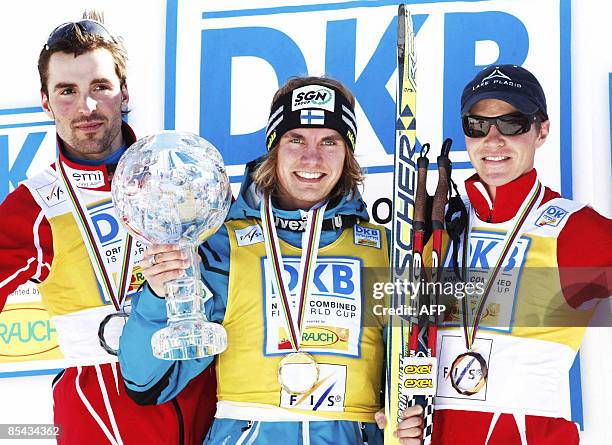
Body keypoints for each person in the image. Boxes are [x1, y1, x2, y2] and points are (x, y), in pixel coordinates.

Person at [120, 76, 427, 444]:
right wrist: (156, 296)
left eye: (329, 141)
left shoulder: (385, 248)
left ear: (347, 153)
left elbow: (414, 368)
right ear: (273, 148)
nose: (311, 157)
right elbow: (147, 382)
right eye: (295, 139)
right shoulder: (223, 247)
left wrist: (410, 415)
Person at [0, 12, 216, 445]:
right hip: (100, 412)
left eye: (100, 87)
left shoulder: (183, 173)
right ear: (45, 101)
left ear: (124, 92)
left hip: (201, 396)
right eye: (67, 91)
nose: (86, 107)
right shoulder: (33, 205)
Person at [399, 64, 612, 444]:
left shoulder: (575, 229)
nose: (493, 140)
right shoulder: (438, 226)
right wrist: (396, 414)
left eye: (512, 124)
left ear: (541, 130)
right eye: (477, 126)